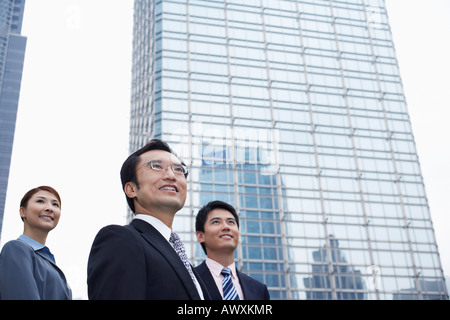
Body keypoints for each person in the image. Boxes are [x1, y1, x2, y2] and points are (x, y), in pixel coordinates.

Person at [87, 139, 210, 300]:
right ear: (131, 189)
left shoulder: (188, 267)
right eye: (157, 166)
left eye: (178, 169)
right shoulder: (119, 240)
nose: (171, 175)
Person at [0, 186, 72, 300]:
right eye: (40, 201)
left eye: (55, 204)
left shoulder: (49, 262)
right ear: (22, 211)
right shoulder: (15, 249)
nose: (50, 208)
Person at [194, 200, 270, 300]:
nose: (226, 227)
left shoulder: (259, 290)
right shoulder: (190, 280)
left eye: (231, 222)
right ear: (200, 236)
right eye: (216, 222)